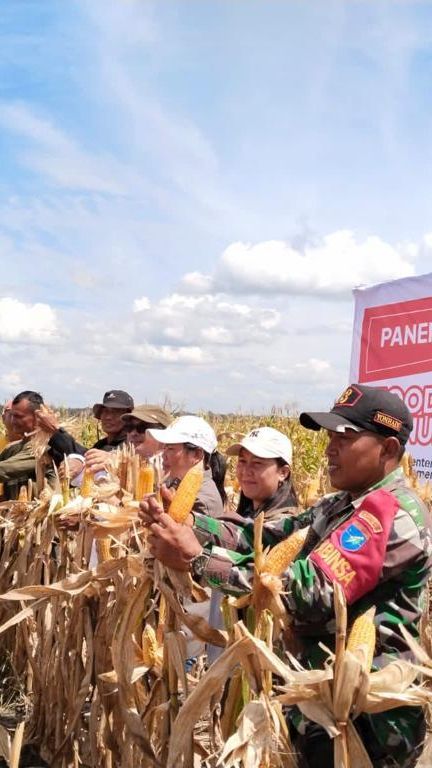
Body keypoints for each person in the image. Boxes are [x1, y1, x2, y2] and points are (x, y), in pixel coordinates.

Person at [140, 384, 432, 768]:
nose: (329, 449)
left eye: (344, 438)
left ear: (389, 449)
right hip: (318, 703)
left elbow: (306, 591)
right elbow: (259, 537)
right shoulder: (341, 504)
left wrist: (196, 558)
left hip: (364, 723)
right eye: (329, 437)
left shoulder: (391, 514)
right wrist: (191, 521)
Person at [0, 391, 82, 499]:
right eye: (12, 415)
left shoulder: (45, 447)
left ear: (37, 417)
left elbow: (4, 470)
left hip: (41, 512)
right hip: (15, 513)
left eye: (18, 416)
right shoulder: (13, 447)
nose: (13, 420)